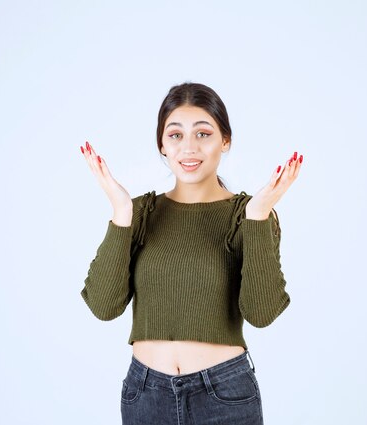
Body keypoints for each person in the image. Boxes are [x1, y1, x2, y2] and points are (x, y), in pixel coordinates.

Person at [79, 82, 302, 424]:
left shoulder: (248, 214)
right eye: (175, 135)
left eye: (203, 134)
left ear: (225, 141)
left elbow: (261, 312)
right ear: (162, 145)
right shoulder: (140, 213)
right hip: (146, 396)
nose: (188, 148)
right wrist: (121, 209)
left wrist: (257, 217)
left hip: (224, 395)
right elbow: (104, 306)